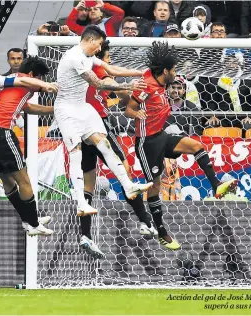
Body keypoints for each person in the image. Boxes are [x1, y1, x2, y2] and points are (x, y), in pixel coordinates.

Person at [125, 41, 238, 250]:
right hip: (146, 142)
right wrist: (135, 113)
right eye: (174, 70)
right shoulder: (146, 85)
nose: (176, 74)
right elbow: (129, 109)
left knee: (195, 146)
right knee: (154, 186)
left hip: (161, 135)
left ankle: (216, 186)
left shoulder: (161, 83)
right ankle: (160, 231)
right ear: (165, 71)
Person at [53, 25, 152, 218]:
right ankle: (81, 203)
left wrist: (140, 73)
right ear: (90, 40)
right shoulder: (75, 57)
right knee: (76, 154)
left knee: (104, 145)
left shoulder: (89, 56)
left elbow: (110, 68)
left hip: (82, 107)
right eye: (98, 45)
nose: (100, 49)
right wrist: (127, 85)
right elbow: (97, 84)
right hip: (66, 110)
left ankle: (128, 186)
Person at [0, 53, 58, 236]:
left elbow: (28, 107)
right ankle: (33, 223)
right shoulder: (21, 80)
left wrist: (55, 110)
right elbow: (26, 82)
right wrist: (48, 85)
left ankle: (28, 220)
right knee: (24, 180)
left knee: (5, 180)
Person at [80, 42, 157, 259]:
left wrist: (128, 94)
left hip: (78, 127)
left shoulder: (81, 71)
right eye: (108, 58)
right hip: (98, 124)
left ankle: (85, 235)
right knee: (124, 171)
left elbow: (119, 95)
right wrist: (133, 89)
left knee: (88, 183)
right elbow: (110, 82)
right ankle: (145, 222)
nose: (110, 62)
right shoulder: (98, 70)